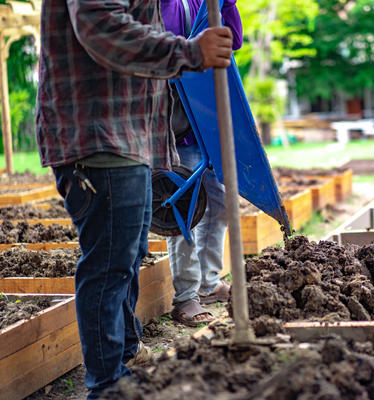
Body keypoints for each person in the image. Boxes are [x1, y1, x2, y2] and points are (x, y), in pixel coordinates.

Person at [36, 0, 233, 398]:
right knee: (109, 265)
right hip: (99, 137)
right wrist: (190, 52)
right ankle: (108, 385)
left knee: (125, 256)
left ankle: (124, 353)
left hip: (127, 138)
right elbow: (101, 26)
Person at [160, 0, 242, 326]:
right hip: (175, 126)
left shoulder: (200, 1)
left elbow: (232, 39)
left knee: (220, 202)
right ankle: (186, 297)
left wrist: (228, 3)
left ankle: (209, 282)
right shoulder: (163, 4)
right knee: (184, 213)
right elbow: (167, 44)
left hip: (206, 123)